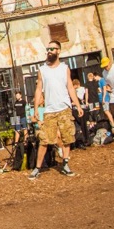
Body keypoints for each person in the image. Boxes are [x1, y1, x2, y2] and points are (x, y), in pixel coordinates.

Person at [29, 40, 80, 179]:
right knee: (44, 140)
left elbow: (70, 87)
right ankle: (37, 168)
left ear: (58, 51)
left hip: (64, 108)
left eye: (52, 49)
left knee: (66, 137)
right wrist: (35, 109)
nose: (49, 51)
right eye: (48, 49)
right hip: (49, 110)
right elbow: (38, 89)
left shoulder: (65, 68)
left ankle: (65, 164)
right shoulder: (42, 70)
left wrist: (77, 104)